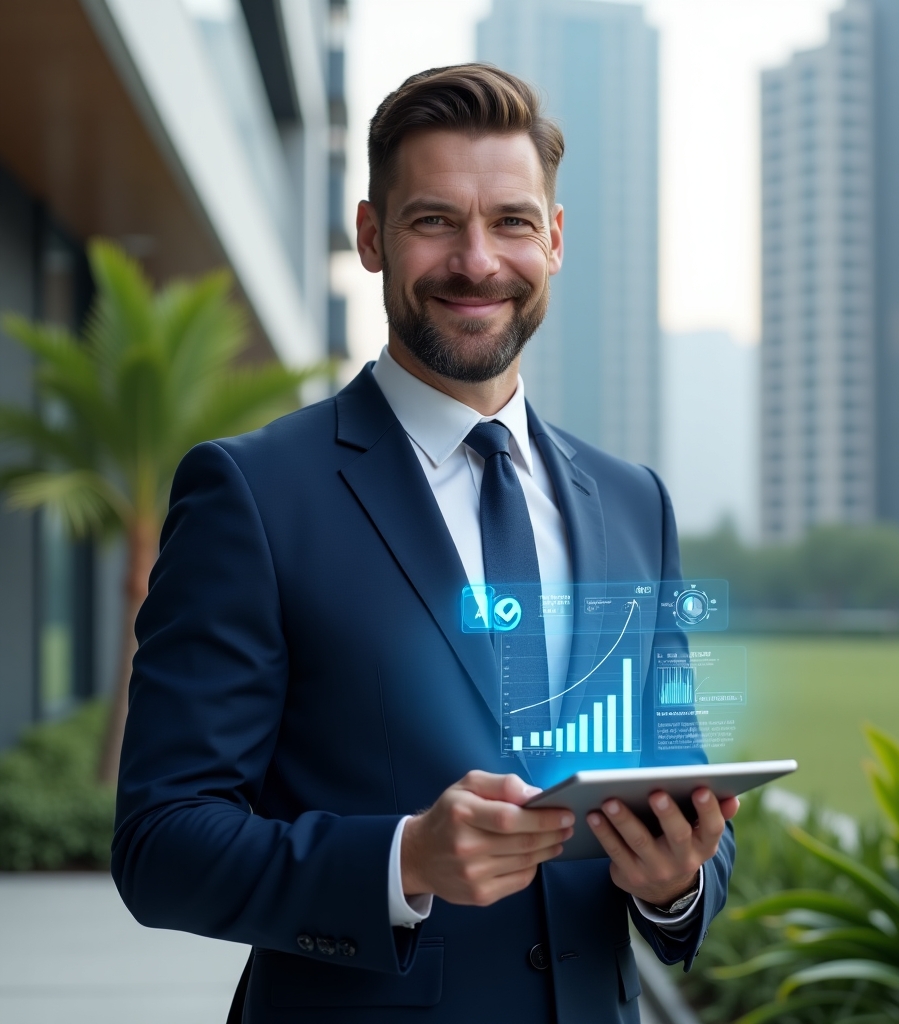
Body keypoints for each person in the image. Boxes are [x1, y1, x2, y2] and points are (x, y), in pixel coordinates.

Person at [112, 64, 736, 1024]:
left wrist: (677, 882)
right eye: (435, 221)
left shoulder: (632, 504)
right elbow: (161, 844)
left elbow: (682, 789)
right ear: (372, 236)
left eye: (512, 222)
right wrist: (404, 859)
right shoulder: (253, 494)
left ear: (554, 239)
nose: (477, 262)